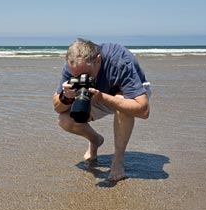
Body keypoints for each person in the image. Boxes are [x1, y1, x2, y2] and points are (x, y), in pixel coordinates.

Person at [53, 38, 151, 183]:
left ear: (98, 60)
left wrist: (101, 97)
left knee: (123, 103)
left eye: (86, 74)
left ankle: (118, 160)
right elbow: (57, 107)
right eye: (76, 76)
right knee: (65, 120)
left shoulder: (119, 60)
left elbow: (143, 110)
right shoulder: (73, 65)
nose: (82, 78)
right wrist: (66, 97)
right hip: (96, 96)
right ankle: (95, 140)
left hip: (130, 95)